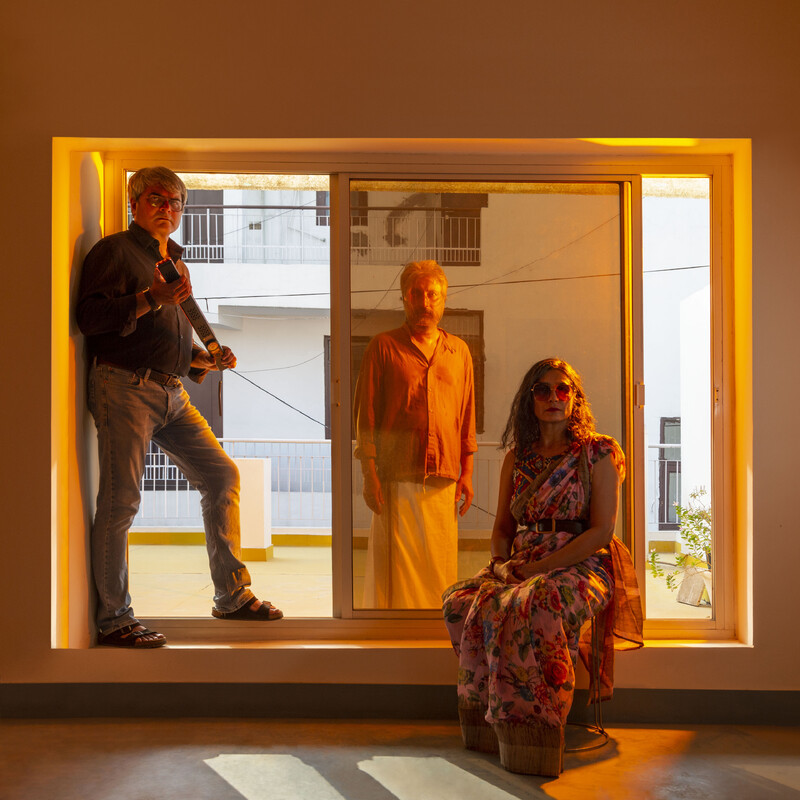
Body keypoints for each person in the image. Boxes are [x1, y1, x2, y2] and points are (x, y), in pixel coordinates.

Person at [77, 166, 283, 649]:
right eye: (157, 198)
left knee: (222, 476)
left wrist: (204, 357)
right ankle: (114, 621)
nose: (167, 208)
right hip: (124, 386)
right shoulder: (114, 251)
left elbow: (169, 333)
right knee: (121, 501)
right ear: (135, 202)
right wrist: (152, 296)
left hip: (172, 391)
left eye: (176, 201)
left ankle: (231, 597)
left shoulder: (175, 262)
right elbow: (90, 319)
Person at [442, 358, 642, 776]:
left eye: (563, 389)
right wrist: (499, 564)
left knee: (540, 604)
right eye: (543, 390)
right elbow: (501, 528)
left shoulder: (599, 452)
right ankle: (489, 724)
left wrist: (541, 569)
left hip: (582, 562)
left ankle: (538, 730)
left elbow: (602, 531)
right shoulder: (518, 459)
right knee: (461, 601)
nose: (554, 397)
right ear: (528, 400)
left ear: (575, 399)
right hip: (522, 561)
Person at [354, 260, 477, 608]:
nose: (426, 302)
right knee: (397, 571)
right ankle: (394, 638)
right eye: (417, 294)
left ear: (444, 300)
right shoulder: (383, 347)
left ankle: (438, 633)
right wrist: (370, 475)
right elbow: (367, 419)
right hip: (396, 479)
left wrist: (467, 472)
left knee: (439, 568)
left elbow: (467, 416)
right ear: (404, 299)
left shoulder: (459, 353)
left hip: (445, 481)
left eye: (433, 295)